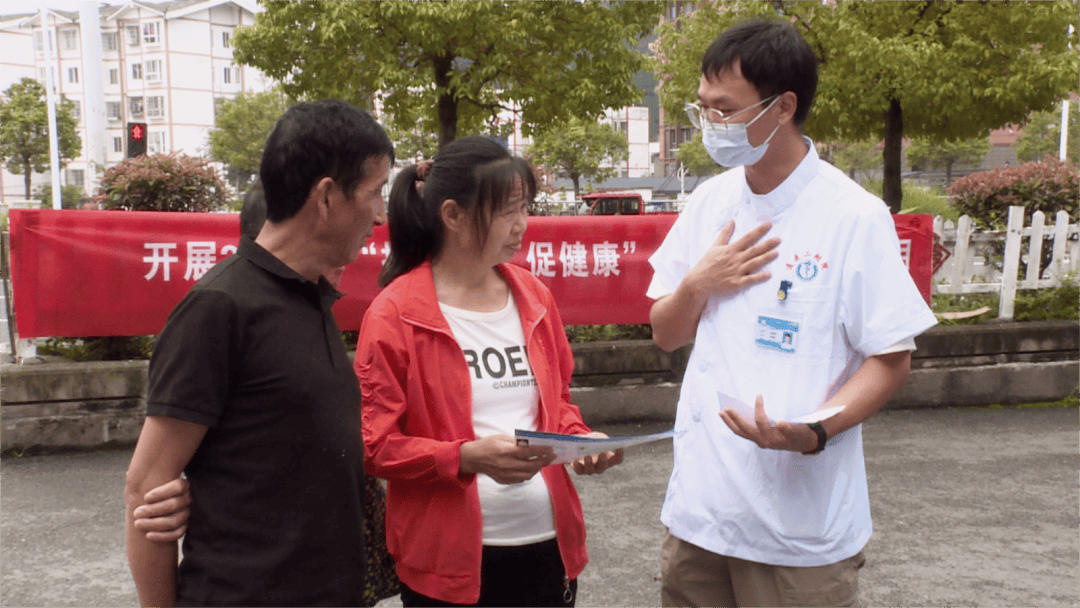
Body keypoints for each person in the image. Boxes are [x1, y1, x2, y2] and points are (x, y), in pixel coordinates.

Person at [648, 19, 937, 607]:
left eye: (724, 109)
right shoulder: (710, 202)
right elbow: (666, 334)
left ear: (783, 107)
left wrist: (814, 431)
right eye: (702, 107)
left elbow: (891, 358)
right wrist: (698, 284)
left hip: (797, 532)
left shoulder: (851, 216)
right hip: (701, 517)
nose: (709, 124)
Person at [124, 99, 393, 607]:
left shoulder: (308, 297)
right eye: (376, 192)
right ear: (327, 198)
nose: (381, 216)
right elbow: (146, 492)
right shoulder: (219, 307)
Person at [357, 135, 623, 607]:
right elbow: (376, 446)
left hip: (546, 546)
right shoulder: (395, 313)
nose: (522, 224)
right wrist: (466, 457)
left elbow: (555, 406)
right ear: (453, 215)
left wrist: (580, 443)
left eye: (525, 207)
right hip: (449, 564)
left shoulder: (534, 297)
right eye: (507, 210)